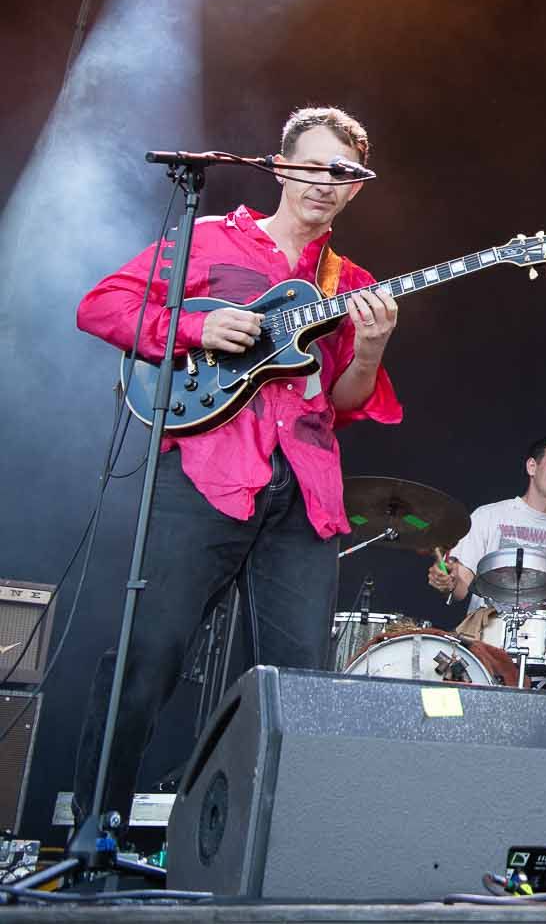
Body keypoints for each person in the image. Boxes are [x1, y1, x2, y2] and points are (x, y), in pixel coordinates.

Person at [72, 106, 401, 833]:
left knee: (298, 680)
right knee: (148, 651)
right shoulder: (209, 239)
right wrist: (194, 325)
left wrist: (372, 344)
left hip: (305, 488)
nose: (325, 182)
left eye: (342, 174)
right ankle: (95, 832)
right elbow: (102, 306)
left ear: (356, 189)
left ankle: (270, 850)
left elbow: (345, 400)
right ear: (279, 164)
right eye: (313, 165)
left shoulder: (351, 281)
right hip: (209, 467)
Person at [429, 437, 546, 620]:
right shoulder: (488, 516)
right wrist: (448, 582)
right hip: (488, 636)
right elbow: (461, 587)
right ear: (532, 467)